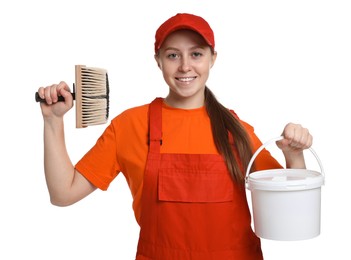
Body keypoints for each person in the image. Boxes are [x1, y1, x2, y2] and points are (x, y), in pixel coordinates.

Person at [37, 13, 313, 260]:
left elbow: (292, 207)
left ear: (212, 58)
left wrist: (294, 154)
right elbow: (63, 194)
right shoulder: (129, 126)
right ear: (158, 61)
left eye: (196, 54)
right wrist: (52, 121)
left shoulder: (237, 130)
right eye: (172, 55)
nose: (184, 66)